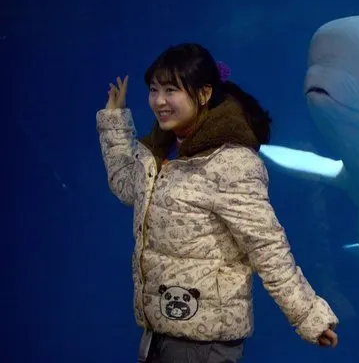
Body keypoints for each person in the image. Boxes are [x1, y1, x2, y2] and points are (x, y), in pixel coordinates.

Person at [96, 43, 339, 363]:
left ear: (204, 93)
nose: (159, 101)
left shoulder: (230, 163)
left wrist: (309, 316)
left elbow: (267, 247)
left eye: (171, 90)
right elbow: (128, 187)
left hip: (203, 343)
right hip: (159, 333)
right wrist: (115, 121)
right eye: (154, 90)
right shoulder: (160, 151)